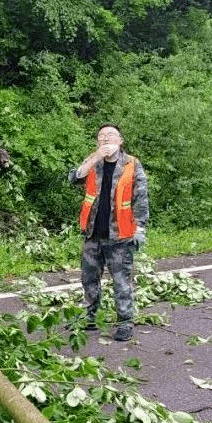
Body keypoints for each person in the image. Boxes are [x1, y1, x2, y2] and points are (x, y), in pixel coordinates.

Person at [68, 124, 149, 341]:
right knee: (88, 278)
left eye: (110, 135)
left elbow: (141, 198)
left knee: (121, 281)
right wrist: (94, 157)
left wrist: (140, 229)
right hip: (93, 232)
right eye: (101, 136)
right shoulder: (93, 162)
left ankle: (125, 322)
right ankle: (89, 317)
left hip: (120, 235)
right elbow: (73, 178)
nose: (105, 139)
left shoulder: (132, 164)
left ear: (120, 140)